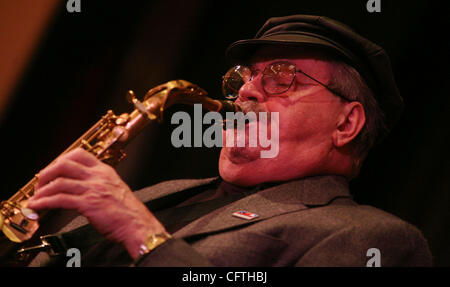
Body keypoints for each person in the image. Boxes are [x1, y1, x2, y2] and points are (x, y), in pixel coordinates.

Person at [26, 15, 432, 266]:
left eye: (281, 77)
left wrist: (142, 235)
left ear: (346, 123)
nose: (246, 92)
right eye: (246, 78)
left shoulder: (371, 238)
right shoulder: (165, 194)